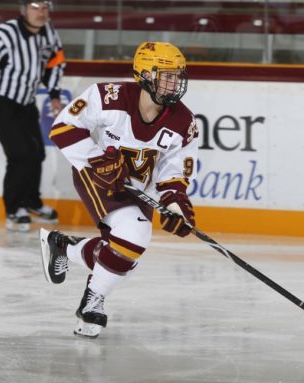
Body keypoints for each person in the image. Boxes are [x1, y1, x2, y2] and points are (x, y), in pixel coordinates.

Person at [39, 41, 199, 338]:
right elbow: (63, 127)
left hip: (139, 191)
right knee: (135, 237)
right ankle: (92, 302)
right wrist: (98, 161)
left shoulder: (184, 122)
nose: (175, 83)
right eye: (167, 75)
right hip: (98, 178)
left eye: (177, 75)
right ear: (145, 75)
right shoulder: (107, 96)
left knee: (126, 254)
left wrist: (176, 208)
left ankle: (66, 247)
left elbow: (173, 174)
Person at [0, 0, 66, 232]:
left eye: (45, 8)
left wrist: (54, 94)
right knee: (20, 154)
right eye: (35, 7)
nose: (41, 12)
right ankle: (13, 210)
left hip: (26, 100)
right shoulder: (4, 35)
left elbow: (55, 63)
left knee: (37, 153)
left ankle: (31, 202)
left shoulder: (49, 32)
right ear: (23, 10)